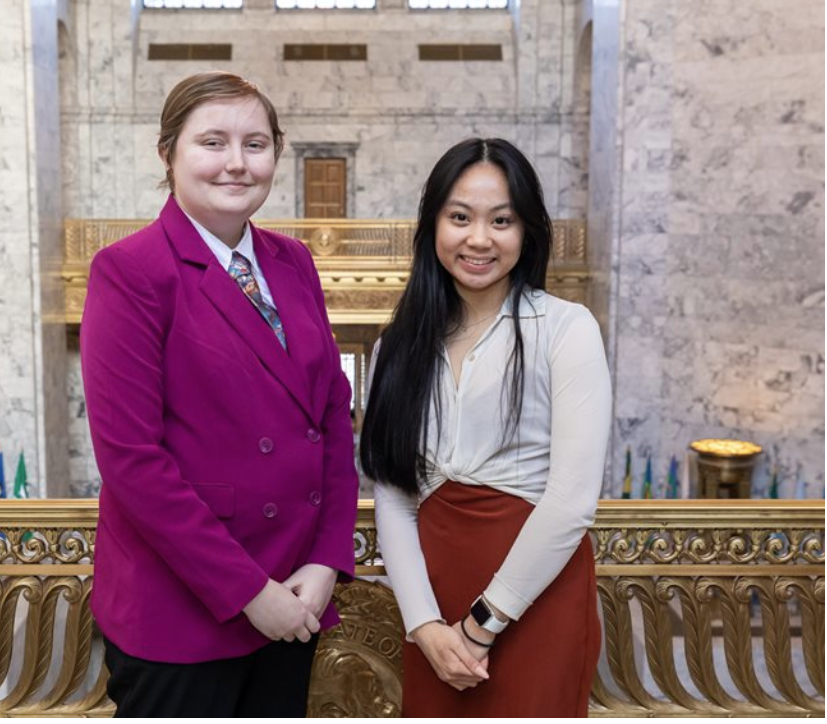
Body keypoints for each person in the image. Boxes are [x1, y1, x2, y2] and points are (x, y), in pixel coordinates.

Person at [80, 71, 359, 717]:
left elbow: (330, 419)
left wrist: (324, 562)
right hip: (184, 605)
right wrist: (247, 592)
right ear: (168, 153)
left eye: (255, 144)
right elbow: (131, 460)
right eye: (213, 142)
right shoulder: (130, 271)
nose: (236, 163)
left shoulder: (294, 261)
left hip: (293, 591)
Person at [360, 138, 611, 717]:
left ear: (527, 232)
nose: (479, 239)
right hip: (435, 595)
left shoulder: (566, 329)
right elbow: (394, 496)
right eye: (459, 217)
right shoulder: (397, 345)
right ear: (433, 228)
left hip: (535, 592)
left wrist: (482, 624)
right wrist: (424, 623)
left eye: (502, 220)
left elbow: (571, 501)